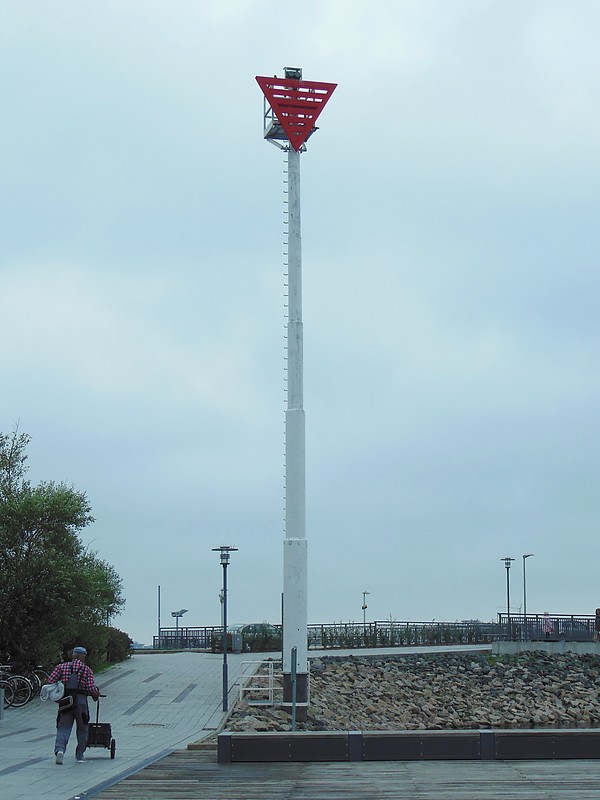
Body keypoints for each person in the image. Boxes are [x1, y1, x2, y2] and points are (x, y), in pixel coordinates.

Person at [47, 646, 100, 764]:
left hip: (66, 701)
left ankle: (60, 750)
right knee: (82, 728)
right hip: (81, 702)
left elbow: (50, 681)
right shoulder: (86, 670)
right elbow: (91, 688)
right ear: (83, 657)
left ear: (73, 655)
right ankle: (80, 755)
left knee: (63, 727)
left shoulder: (61, 667)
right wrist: (96, 694)